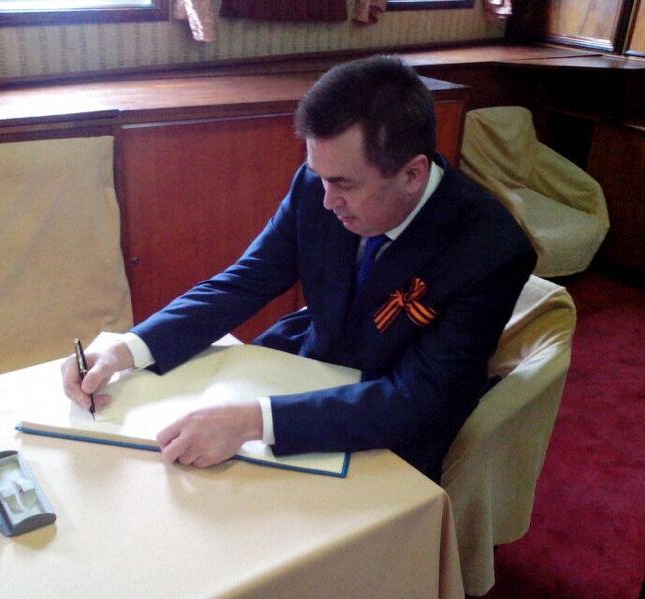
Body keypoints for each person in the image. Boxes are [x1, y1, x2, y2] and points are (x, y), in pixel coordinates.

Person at [62, 55, 536, 483]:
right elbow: (246, 280)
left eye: (344, 184)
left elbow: (416, 399)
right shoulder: (317, 185)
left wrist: (255, 421)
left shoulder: (490, 250)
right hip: (308, 363)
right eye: (320, 177)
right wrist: (128, 349)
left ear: (412, 173)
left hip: (393, 426)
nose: (327, 201)